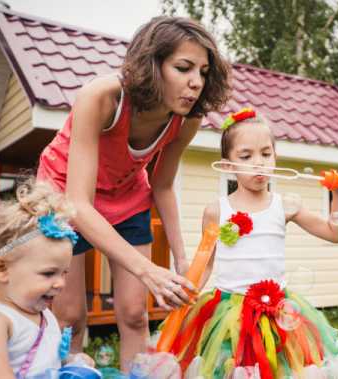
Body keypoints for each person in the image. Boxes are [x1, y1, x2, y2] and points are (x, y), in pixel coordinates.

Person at [36, 16, 231, 369]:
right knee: (70, 318)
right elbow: (78, 204)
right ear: (152, 65)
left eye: (203, 72)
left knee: (135, 314)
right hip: (64, 196)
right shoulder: (102, 97)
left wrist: (181, 258)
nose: (195, 83)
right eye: (184, 68)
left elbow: (163, 184)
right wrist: (148, 269)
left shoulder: (186, 119)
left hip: (127, 197)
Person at [170, 109, 338, 378]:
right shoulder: (216, 211)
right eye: (246, 156)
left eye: (266, 154)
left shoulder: (286, 206)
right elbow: (206, 263)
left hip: (277, 310)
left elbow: (335, 233)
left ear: (275, 156)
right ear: (227, 165)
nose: (259, 163)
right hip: (229, 313)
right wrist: (187, 294)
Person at [0, 180, 91, 378]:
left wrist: (71, 362)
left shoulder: (41, 313)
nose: (61, 284)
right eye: (48, 273)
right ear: (2, 269)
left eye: (64, 272)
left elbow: (45, 360)